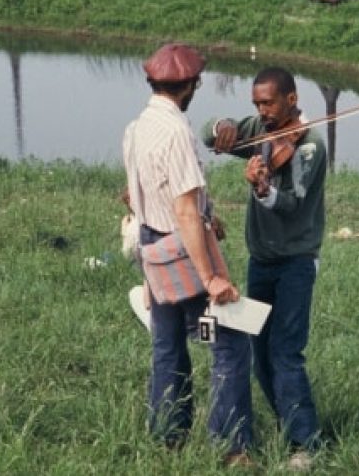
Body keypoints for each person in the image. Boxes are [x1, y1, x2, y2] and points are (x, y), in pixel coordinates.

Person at [122, 43, 254, 467]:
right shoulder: (177, 133)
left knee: (167, 343)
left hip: (152, 245)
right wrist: (212, 278)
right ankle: (231, 446)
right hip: (182, 252)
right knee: (229, 340)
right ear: (191, 85)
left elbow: (138, 199)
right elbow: (183, 211)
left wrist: (205, 213)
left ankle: (168, 433)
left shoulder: (138, 126)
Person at [203, 66, 326, 470]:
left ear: (291, 99)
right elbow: (212, 133)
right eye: (256, 103)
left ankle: (306, 443)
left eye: (268, 103)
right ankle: (286, 420)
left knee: (286, 351)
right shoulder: (259, 125)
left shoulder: (310, 147)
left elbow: (292, 204)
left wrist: (263, 187)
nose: (262, 111)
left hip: (295, 262)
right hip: (261, 260)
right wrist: (219, 126)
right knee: (260, 350)